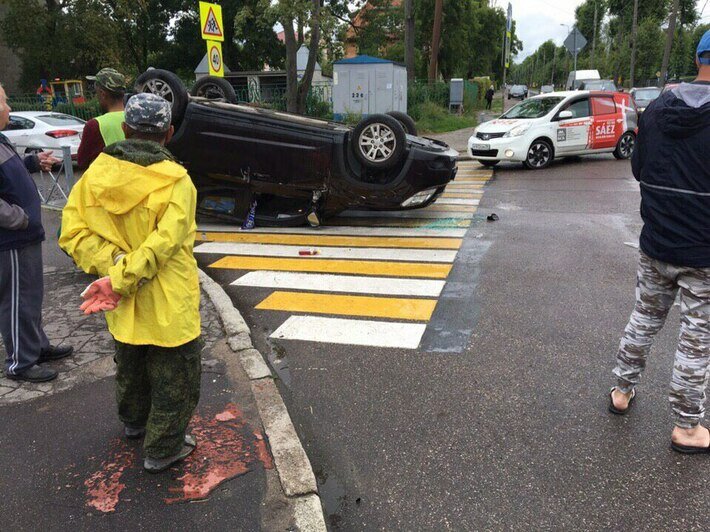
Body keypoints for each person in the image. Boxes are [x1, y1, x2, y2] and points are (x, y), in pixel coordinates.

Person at [59, 93, 202, 472]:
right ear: (169, 133)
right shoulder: (178, 183)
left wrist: (115, 266)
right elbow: (163, 246)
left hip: (119, 303)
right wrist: (125, 275)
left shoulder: (94, 176)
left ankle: (134, 425)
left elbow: (72, 233)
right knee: (176, 377)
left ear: (124, 129)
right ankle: (164, 448)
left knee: (131, 365)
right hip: (169, 302)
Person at [609, 30, 710, 454]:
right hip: (702, 252)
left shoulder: (655, 109)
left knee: (644, 319)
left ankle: (620, 390)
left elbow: (638, 169)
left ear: (699, 56)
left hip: (655, 243)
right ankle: (687, 427)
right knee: (696, 337)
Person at [0, 82, 73, 383]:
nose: (9, 108)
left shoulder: (0, 138)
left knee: (29, 296)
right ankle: (20, 362)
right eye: (5, 101)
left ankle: (37, 347)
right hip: (12, 239)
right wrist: (17, 218)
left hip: (24, 236)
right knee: (16, 299)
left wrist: (32, 161)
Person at [77, 68, 126, 170]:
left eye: (97, 93)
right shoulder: (136, 118)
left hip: (107, 182)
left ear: (103, 94)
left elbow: (82, 162)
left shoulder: (95, 125)